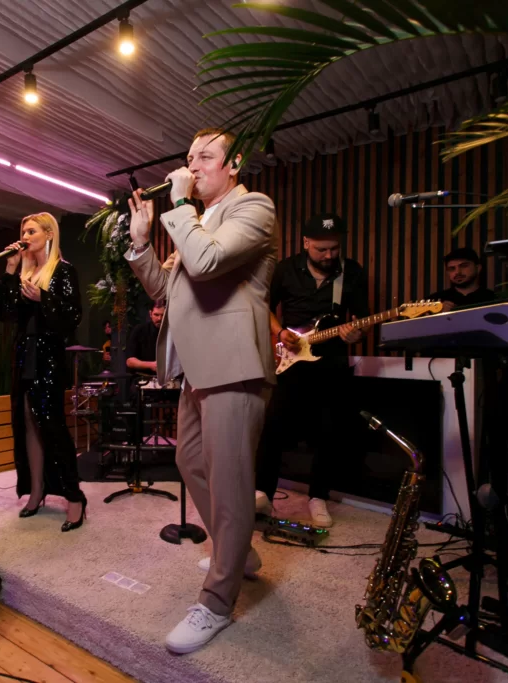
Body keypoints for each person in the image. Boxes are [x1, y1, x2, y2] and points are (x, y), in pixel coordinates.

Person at [126, 127, 276, 654]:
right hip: (195, 369)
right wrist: (142, 243)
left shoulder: (252, 208)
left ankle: (216, 602)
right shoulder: (196, 220)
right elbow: (163, 290)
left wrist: (179, 206)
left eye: (205, 157)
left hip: (234, 363)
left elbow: (208, 262)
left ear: (234, 164)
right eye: (189, 158)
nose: (192, 167)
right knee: (190, 462)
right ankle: (240, 554)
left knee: (230, 483)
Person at [255, 212, 371, 530]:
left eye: (334, 248)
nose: (329, 255)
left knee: (328, 432)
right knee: (273, 427)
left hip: (332, 361)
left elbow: (362, 318)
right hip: (291, 360)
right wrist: (280, 332)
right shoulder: (286, 269)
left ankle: (318, 497)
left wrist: (356, 333)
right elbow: (263, 305)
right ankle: (262, 492)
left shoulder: (352, 272)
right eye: (321, 249)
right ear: (306, 242)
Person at [0, 212, 87, 532]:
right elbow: (1, 312)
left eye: (31, 231)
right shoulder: (23, 273)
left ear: (49, 234)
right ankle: (36, 490)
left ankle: (74, 497)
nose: (25, 236)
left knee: (52, 426)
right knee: (27, 424)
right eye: (23, 231)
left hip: (48, 356)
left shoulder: (63, 271)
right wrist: (10, 269)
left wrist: (43, 297)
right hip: (23, 354)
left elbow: (72, 315)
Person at [427, 246, 495, 311]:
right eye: (452, 268)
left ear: (478, 268)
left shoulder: (494, 299)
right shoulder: (433, 302)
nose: (457, 272)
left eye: (463, 266)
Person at [125, 299, 165, 375]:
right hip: (144, 378)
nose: (159, 318)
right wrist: (151, 365)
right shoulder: (140, 330)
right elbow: (130, 361)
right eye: (156, 315)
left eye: (163, 315)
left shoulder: (173, 333)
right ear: (150, 314)